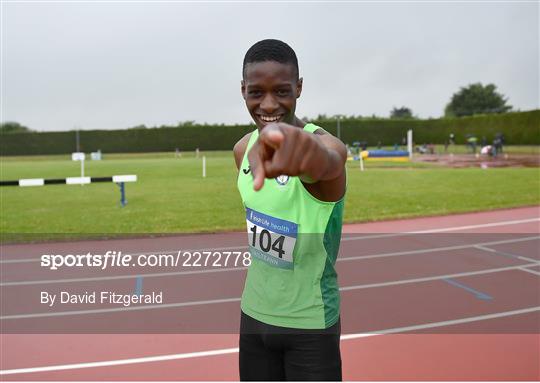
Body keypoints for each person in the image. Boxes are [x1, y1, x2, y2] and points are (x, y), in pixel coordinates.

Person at [233, 39, 347, 381]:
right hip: (253, 316)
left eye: (282, 91)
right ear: (243, 90)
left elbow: (329, 160)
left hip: (309, 325)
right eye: (256, 92)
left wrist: (303, 150)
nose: (269, 104)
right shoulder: (242, 150)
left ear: (299, 87)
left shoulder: (322, 144)